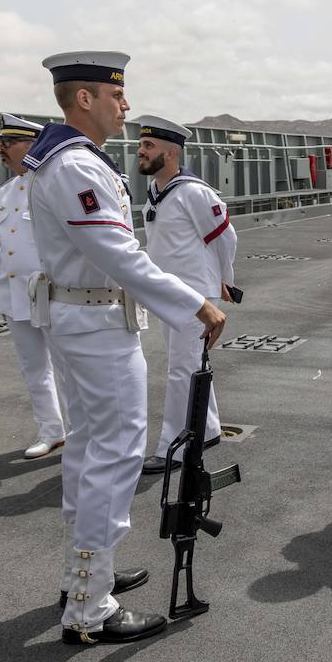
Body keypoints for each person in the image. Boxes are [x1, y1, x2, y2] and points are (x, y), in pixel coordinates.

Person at [25, 51, 226, 645]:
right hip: (95, 324)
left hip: (82, 318)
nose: (126, 106)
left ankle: (87, 578)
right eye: (116, 96)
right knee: (113, 454)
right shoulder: (75, 168)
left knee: (89, 450)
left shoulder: (70, 160)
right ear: (84, 99)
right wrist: (196, 303)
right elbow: (120, 256)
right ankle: (89, 609)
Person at [135, 115, 237, 475]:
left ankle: (173, 448)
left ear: (172, 152)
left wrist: (223, 280)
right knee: (189, 365)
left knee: (181, 369)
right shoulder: (157, 192)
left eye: (149, 146)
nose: (140, 151)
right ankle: (206, 430)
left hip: (196, 296)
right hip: (172, 295)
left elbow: (225, 237)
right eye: (142, 144)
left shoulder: (193, 192)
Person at [0, 114, 72, 459]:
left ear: (31, 145)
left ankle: (79, 432)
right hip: (17, 294)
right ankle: (52, 431)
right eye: (0, 144)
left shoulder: (50, 183)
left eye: (7, 143)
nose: (1, 149)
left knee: (66, 367)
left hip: (52, 292)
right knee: (33, 366)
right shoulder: (5, 192)